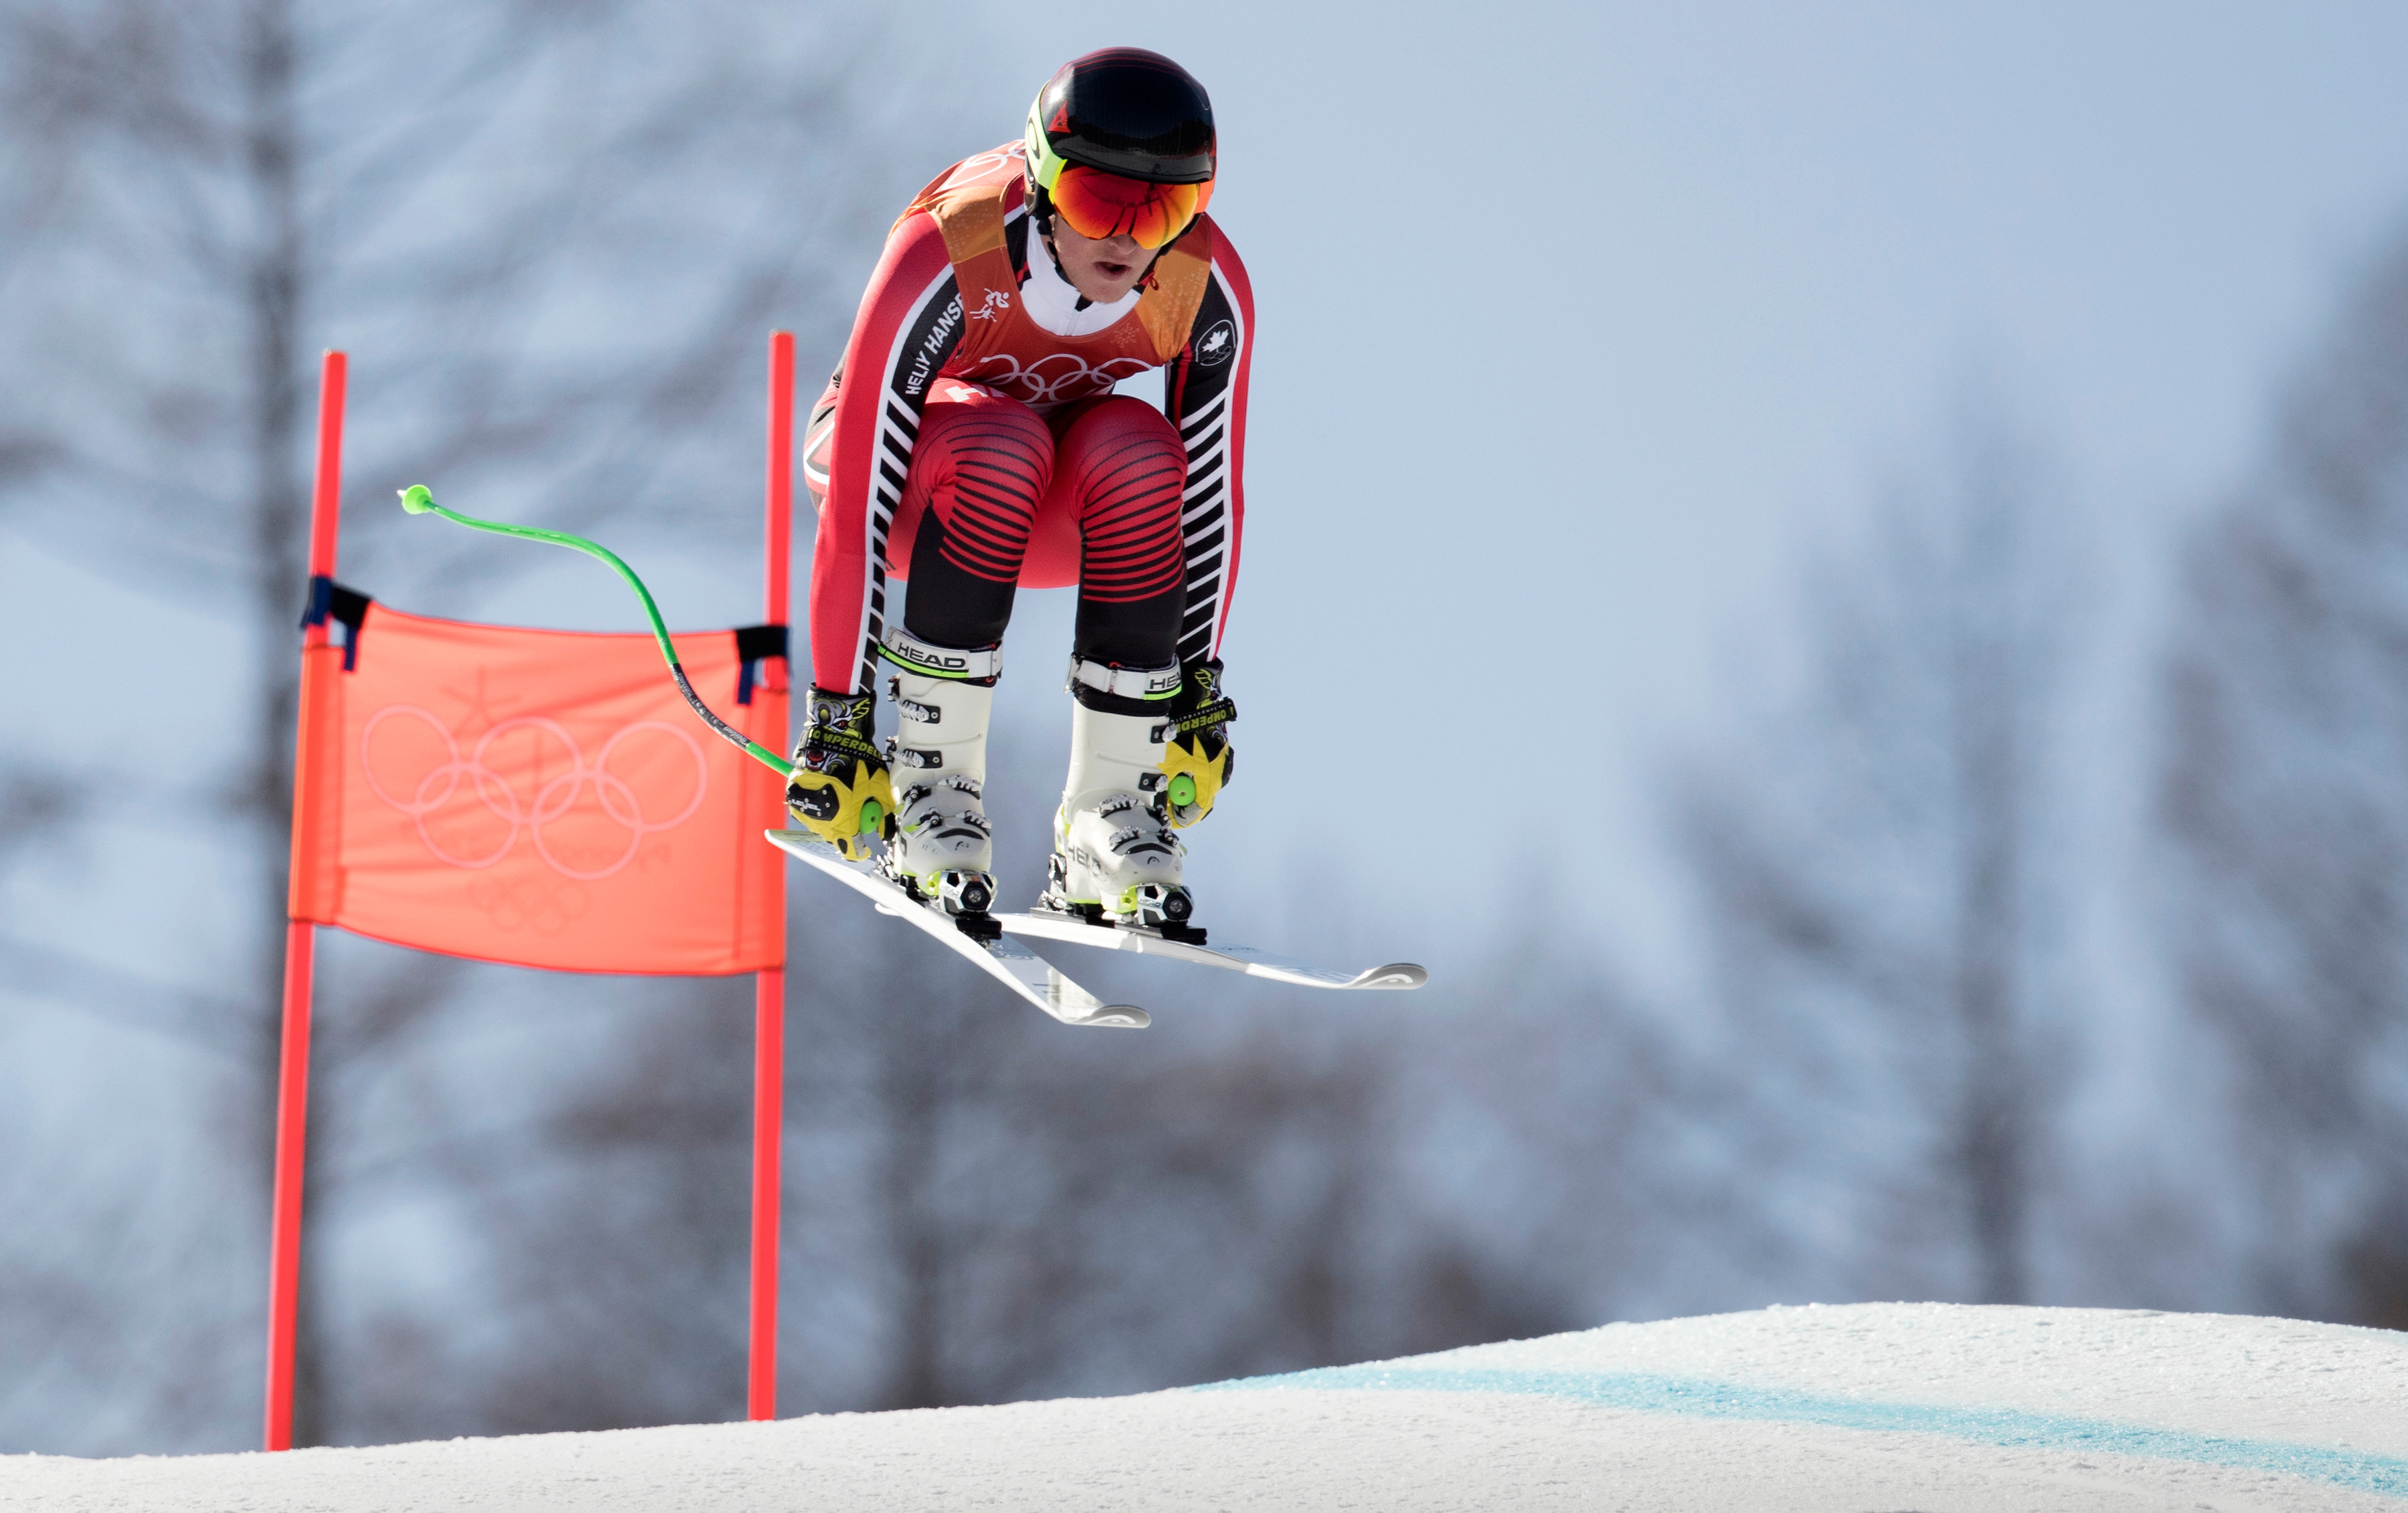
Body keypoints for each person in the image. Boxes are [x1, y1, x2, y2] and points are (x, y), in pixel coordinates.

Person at [784, 47, 1248, 934]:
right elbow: (854, 494)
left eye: (1167, 206)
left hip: (1045, 506)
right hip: (910, 481)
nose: (1128, 234)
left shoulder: (1198, 282)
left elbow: (1212, 488)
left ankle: (1110, 815)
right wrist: (840, 716)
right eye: (1097, 199)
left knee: (1143, 450)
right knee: (1003, 435)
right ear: (1041, 181)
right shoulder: (955, 243)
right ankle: (932, 790)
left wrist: (1201, 684)